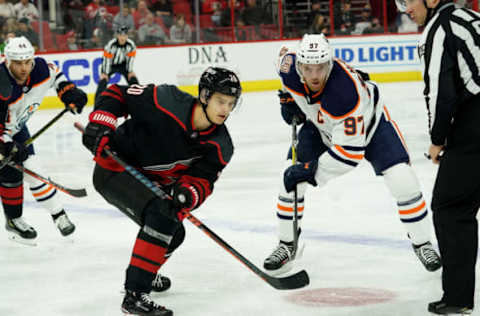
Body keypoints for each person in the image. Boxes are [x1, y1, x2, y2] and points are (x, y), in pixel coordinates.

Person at [263, 34, 442, 277]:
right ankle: (286, 244)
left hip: (371, 127)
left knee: (404, 181)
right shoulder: (287, 66)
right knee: (288, 184)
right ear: (298, 66)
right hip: (321, 127)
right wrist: (289, 101)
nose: (314, 75)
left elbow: (349, 155)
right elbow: (286, 77)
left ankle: (422, 243)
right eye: (308, 68)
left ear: (330, 64)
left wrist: (311, 170)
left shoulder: (344, 94)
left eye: (321, 68)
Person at [81, 66, 241, 315]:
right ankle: (134, 295)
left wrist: (188, 193)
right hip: (114, 167)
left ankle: (144, 273)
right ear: (204, 96)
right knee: (162, 216)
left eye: (231, 104)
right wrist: (102, 123)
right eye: (221, 101)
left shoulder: (220, 145)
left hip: (153, 184)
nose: (226, 110)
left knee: (174, 232)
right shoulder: (167, 101)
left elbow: (203, 180)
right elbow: (117, 94)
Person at [397, 0, 480, 314]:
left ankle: (458, 299)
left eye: (409, 1)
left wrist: (437, 139)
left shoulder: (439, 28)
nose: (405, 8)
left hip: (475, 122)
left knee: (451, 208)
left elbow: (439, 89)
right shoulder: (470, 16)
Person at [0, 36, 87, 245]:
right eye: (17, 63)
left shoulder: (39, 68)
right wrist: (5, 144)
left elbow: (56, 73)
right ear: (7, 61)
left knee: (33, 171)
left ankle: (58, 215)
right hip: (3, 133)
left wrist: (68, 92)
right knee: (11, 176)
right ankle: (15, 220)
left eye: (27, 62)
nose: (23, 68)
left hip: (17, 128)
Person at [94, 25, 138, 103]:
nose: (122, 38)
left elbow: (130, 59)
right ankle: (97, 104)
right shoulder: (111, 45)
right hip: (110, 65)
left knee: (133, 81)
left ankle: (139, 101)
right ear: (117, 35)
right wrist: (105, 73)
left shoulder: (131, 45)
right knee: (103, 82)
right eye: (120, 35)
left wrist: (130, 71)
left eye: (124, 35)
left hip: (123, 65)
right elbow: (106, 59)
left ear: (127, 36)